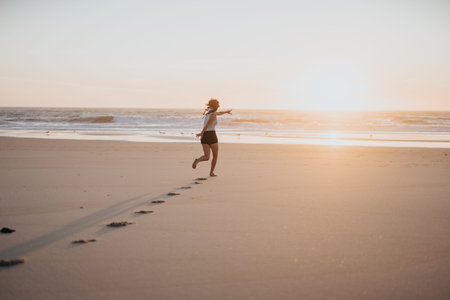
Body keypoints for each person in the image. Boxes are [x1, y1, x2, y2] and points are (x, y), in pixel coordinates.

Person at [192, 98, 232, 176]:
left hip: (205, 136)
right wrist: (201, 133)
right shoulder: (213, 115)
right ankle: (211, 172)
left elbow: (219, 113)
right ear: (216, 106)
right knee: (215, 155)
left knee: (207, 157)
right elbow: (207, 125)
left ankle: (197, 160)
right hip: (211, 135)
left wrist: (226, 112)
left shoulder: (208, 113)